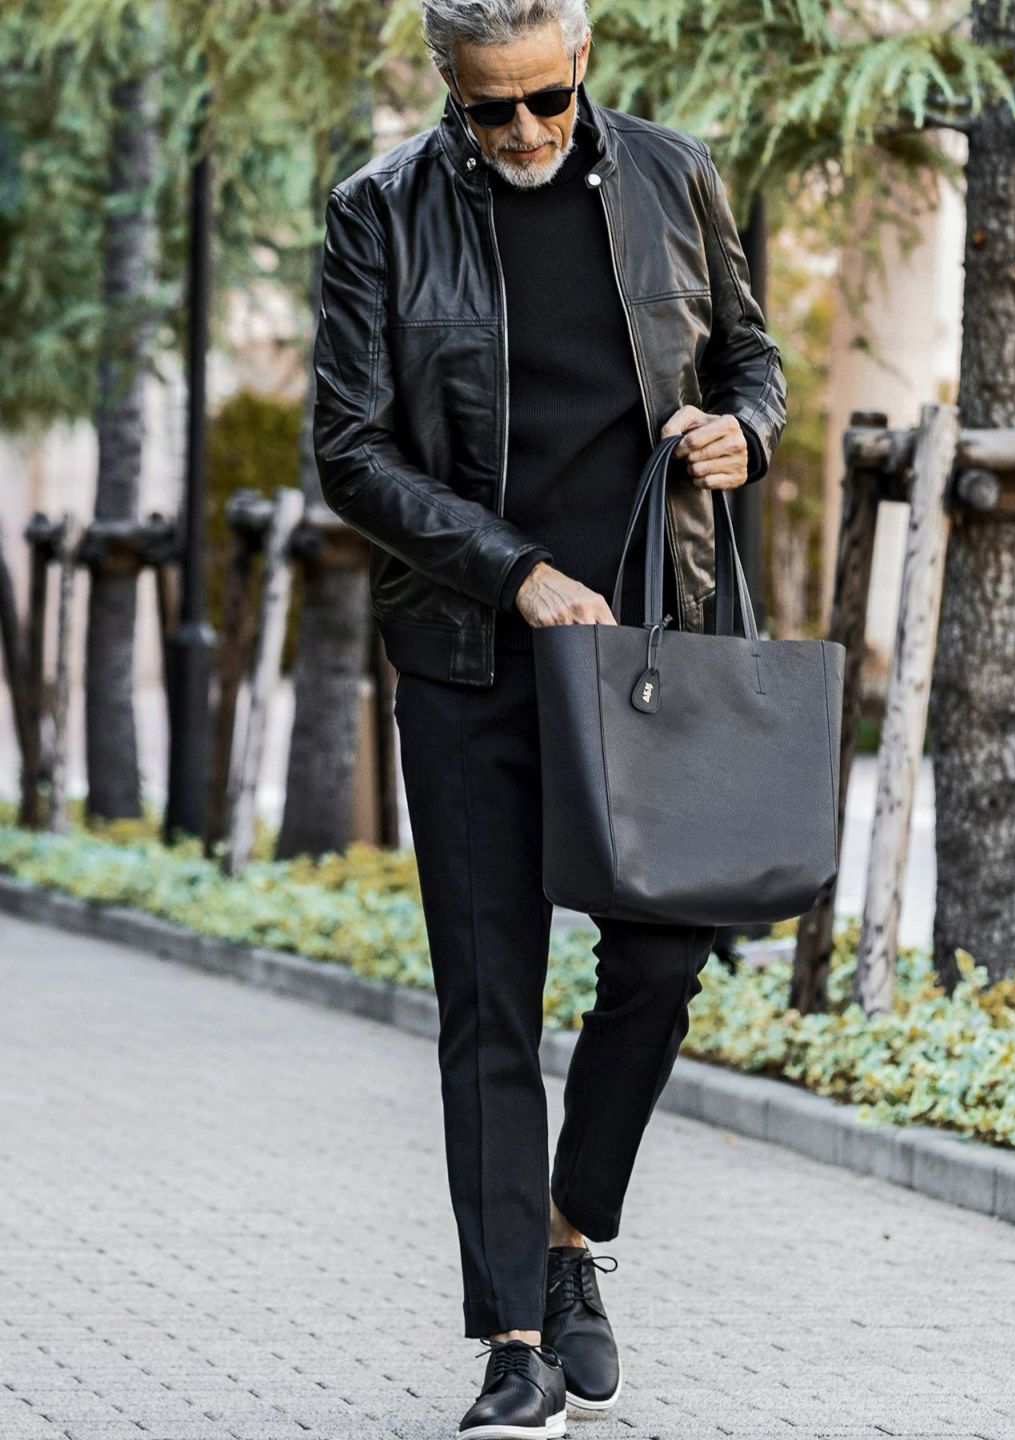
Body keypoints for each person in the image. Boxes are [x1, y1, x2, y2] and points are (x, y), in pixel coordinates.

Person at [313, 3, 787, 1435]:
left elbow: (750, 360)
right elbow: (350, 450)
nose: (521, 132)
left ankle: (572, 1231)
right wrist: (512, 572)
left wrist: (745, 432)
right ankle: (515, 1339)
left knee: (662, 961)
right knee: (488, 1000)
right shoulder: (380, 213)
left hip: (655, 648)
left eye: (544, 100)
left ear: (582, 61)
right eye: (488, 109)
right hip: (473, 659)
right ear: (447, 88)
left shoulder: (673, 175)